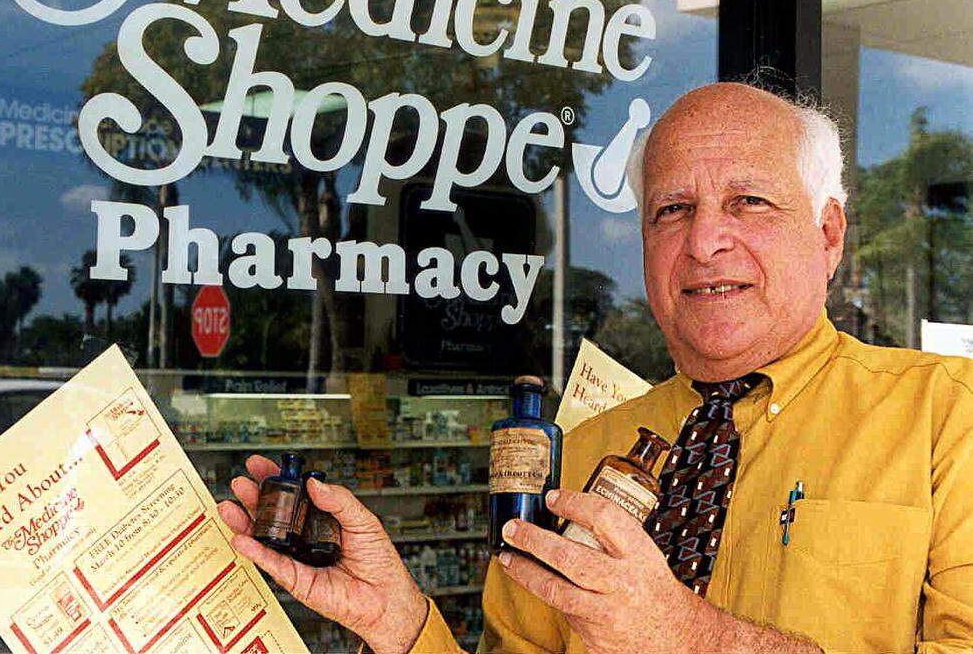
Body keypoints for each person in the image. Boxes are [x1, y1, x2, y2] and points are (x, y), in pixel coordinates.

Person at [217, 82, 973, 653]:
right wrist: (403, 623)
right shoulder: (578, 453)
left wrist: (691, 637)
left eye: (749, 201)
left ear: (829, 233)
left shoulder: (946, 417)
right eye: (671, 210)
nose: (707, 240)